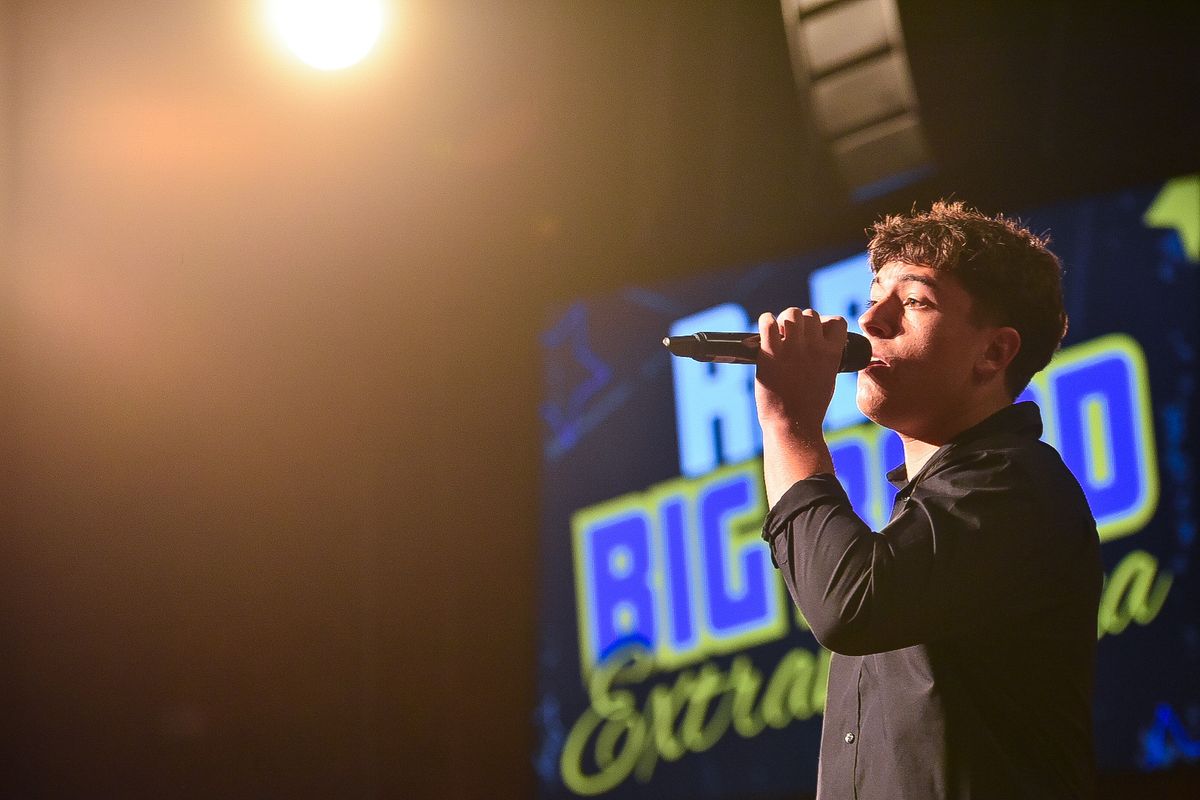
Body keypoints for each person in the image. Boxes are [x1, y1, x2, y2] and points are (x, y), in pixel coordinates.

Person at [755, 202, 1102, 799]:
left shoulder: (1017, 484)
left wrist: (789, 426)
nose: (872, 320)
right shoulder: (935, 507)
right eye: (874, 297)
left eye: (915, 301)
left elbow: (847, 604)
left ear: (994, 353)